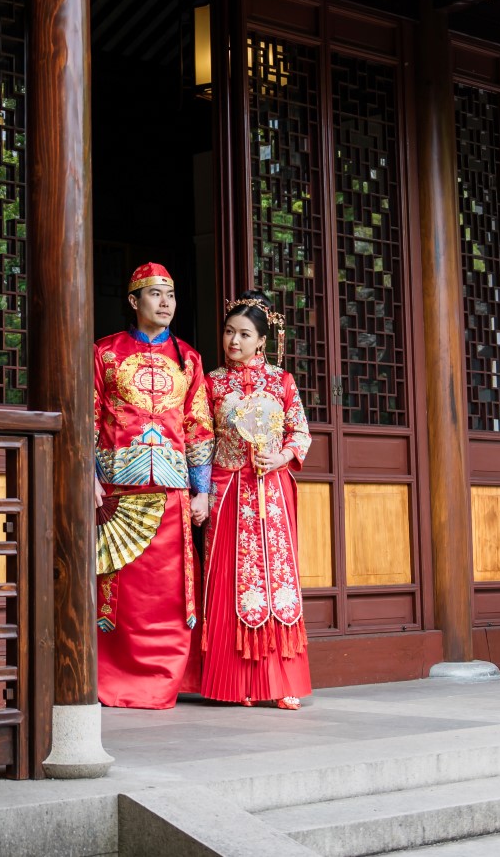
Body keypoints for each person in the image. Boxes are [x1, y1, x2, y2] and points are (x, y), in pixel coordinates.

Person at [94, 262, 213, 708]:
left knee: (169, 592)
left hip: (172, 493)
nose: (166, 303)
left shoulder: (190, 357)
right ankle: (114, 677)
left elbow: (198, 427)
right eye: (155, 294)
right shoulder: (104, 352)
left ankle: (169, 678)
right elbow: (89, 415)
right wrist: (88, 478)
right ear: (133, 301)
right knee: (120, 589)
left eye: (171, 294)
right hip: (118, 494)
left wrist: (202, 491)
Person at [201, 291, 312, 709]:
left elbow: (300, 433)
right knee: (227, 579)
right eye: (229, 332)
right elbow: (200, 439)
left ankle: (282, 681)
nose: (234, 341)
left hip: (271, 490)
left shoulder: (281, 381)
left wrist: (281, 455)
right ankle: (235, 682)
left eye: (244, 334)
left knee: (277, 580)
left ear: (261, 340)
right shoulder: (211, 383)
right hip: (227, 489)